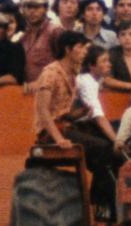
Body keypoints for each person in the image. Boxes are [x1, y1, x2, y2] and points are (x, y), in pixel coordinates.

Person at [34, 31, 117, 213]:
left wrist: (79, 113)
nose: (83, 52)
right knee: (103, 148)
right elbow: (43, 110)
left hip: (67, 125)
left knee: (112, 148)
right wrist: (58, 139)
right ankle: (99, 205)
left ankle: (110, 198)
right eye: (80, 47)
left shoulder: (72, 74)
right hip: (52, 131)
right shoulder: (50, 73)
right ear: (68, 49)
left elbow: (64, 113)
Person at [20, 0, 63, 89]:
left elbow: (66, 64)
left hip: (52, 90)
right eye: (28, 7)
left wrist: (41, 81)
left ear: (45, 8)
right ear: (23, 10)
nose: (32, 11)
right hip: (29, 93)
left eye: (36, 7)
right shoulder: (23, 37)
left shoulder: (55, 31)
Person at [106, 20, 131, 90]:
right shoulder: (111, 54)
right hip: (117, 96)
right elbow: (107, 80)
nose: (127, 38)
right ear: (118, 38)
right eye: (123, 34)